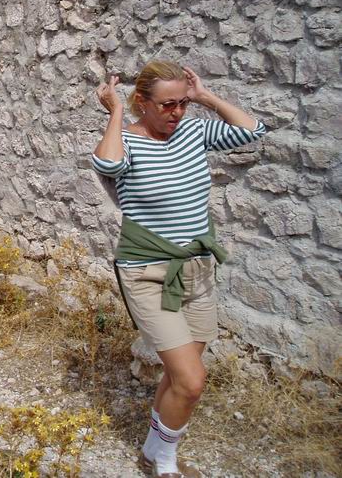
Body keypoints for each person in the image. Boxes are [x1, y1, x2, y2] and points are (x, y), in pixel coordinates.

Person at [92, 60, 266, 478]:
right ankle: (166, 462)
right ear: (143, 102)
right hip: (148, 273)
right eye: (167, 105)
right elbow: (109, 165)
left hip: (198, 271)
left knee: (177, 375)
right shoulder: (126, 140)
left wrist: (205, 96)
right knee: (191, 380)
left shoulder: (193, 131)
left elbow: (252, 130)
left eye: (182, 103)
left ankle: (152, 451)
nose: (177, 112)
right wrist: (116, 111)